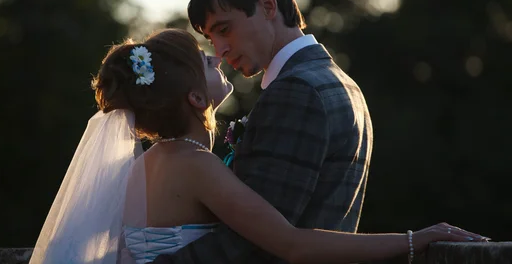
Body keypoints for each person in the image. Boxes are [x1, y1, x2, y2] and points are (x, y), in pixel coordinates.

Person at [29, 29, 485, 264]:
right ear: (193, 97)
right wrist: (413, 240)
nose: (216, 55)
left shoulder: (145, 165)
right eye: (202, 59)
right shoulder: (193, 164)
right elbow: (291, 245)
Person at [153, 0, 373, 263]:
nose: (220, 50)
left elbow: (254, 243)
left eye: (224, 29)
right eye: (211, 37)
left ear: (268, 6)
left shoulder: (297, 91)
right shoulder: (341, 83)